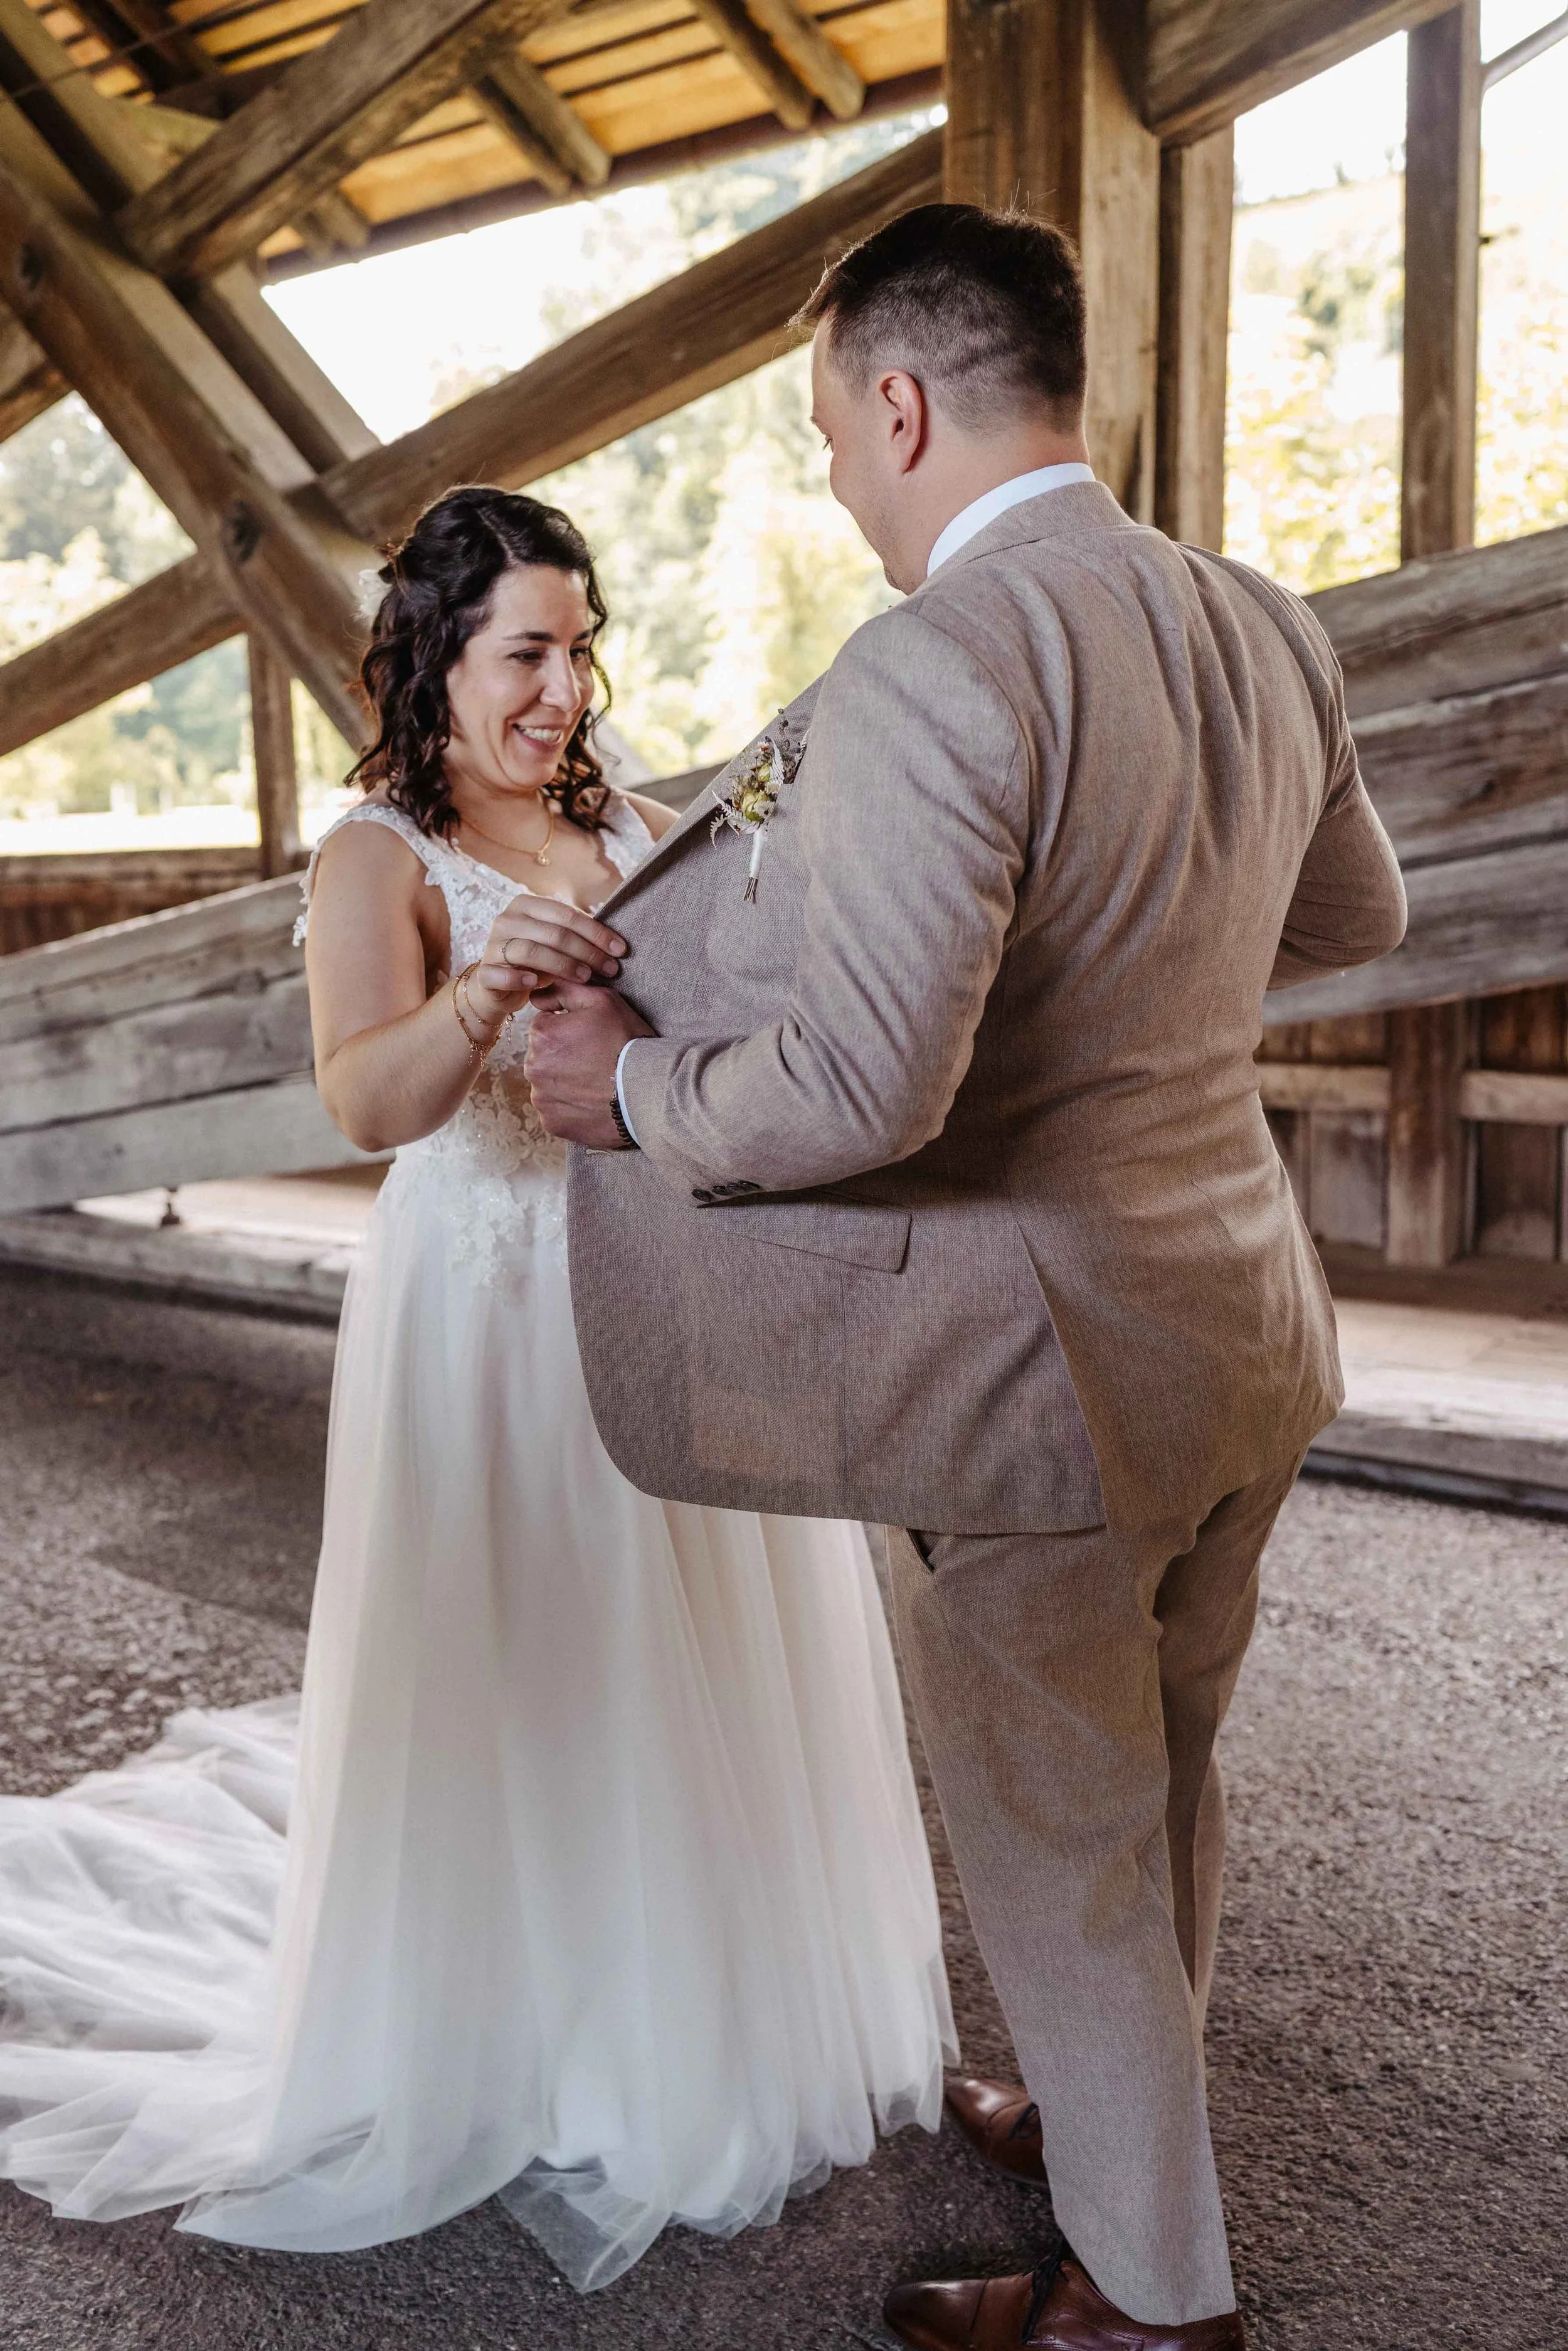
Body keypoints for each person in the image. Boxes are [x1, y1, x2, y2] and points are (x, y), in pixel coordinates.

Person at [524, 208, 1408, 2347]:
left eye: (831, 427)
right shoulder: (1254, 616)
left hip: (1031, 1379)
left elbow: (857, 1085)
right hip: (1237, 1327)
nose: (836, 469)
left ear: (900, 403)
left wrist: (627, 1082)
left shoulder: (936, 659)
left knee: (1055, 1831)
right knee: (1161, 1766)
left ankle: (1146, 2296)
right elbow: (1352, 916)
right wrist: (1147, 958)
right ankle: (1126, 2128)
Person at [0, 486, 954, 2286]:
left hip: (657, 1283)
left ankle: (697, 2007)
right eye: (528, 651)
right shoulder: (377, 854)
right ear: (434, 658)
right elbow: (362, 1100)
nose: (564, 691)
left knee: (684, 1649)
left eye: (581, 648)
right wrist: (481, 991)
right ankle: (536, 2033)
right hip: (492, 1302)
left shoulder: (634, 820)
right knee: (539, 1645)